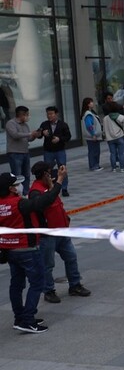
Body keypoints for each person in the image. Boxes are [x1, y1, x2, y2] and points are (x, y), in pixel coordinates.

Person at [0, 170, 63, 333]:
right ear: (11, 189)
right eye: (16, 184)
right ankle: (27, 319)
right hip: (27, 250)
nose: (20, 187)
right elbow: (44, 201)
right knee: (37, 283)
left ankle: (19, 317)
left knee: (16, 285)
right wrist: (59, 182)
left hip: (9, 250)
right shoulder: (19, 203)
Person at [27, 162, 90, 304]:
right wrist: (59, 182)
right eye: (51, 171)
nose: (54, 173)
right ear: (45, 174)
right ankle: (48, 290)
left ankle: (75, 285)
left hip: (61, 231)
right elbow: (46, 201)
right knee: (47, 264)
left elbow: (56, 202)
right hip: (47, 236)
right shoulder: (35, 191)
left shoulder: (50, 187)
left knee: (71, 257)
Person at [38, 106, 71, 197]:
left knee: (62, 168)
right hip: (48, 150)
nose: (49, 116)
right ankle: (50, 187)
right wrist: (41, 133)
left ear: (56, 114)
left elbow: (68, 137)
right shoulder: (44, 124)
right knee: (47, 170)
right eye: (48, 114)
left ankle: (64, 188)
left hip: (60, 150)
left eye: (51, 114)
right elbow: (38, 135)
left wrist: (59, 139)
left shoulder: (63, 124)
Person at [5, 106, 40, 186]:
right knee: (17, 175)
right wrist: (30, 133)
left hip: (25, 153)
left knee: (27, 175)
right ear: (21, 115)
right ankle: (17, 194)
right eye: (27, 115)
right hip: (15, 153)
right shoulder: (11, 123)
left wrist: (35, 135)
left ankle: (26, 193)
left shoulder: (25, 125)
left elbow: (29, 138)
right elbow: (15, 135)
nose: (28, 117)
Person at [102, 102, 124, 172]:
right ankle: (122, 168)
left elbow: (104, 129)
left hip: (110, 138)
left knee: (112, 153)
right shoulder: (121, 117)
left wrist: (105, 136)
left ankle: (113, 168)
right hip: (120, 137)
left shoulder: (105, 118)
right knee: (121, 153)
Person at [81, 97, 103, 171]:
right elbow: (89, 125)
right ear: (88, 104)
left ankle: (96, 165)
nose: (92, 103)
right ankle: (93, 166)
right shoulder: (88, 114)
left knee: (95, 151)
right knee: (94, 151)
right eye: (91, 102)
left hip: (92, 136)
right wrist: (93, 134)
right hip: (92, 136)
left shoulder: (90, 113)